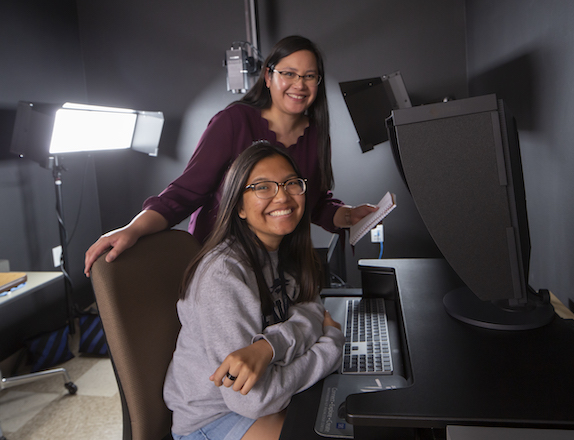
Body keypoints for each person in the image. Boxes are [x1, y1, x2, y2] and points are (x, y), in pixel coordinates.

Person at [84, 35, 377, 277]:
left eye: (309, 76)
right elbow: (185, 192)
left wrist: (349, 216)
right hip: (224, 265)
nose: (299, 84)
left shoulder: (315, 132)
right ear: (268, 76)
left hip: (278, 265)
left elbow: (311, 200)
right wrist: (134, 229)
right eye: (288, 73)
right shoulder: (234, 121)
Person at [163, 141, 344, 440]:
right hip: (214, 421)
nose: (282, 196)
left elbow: (311, 307)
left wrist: (268, 347)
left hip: (261, 400)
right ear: (239, 207)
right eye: (262, 187)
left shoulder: (283, 249)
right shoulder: (223, 274)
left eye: (291, 184)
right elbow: (253, 399)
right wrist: (331, 345)